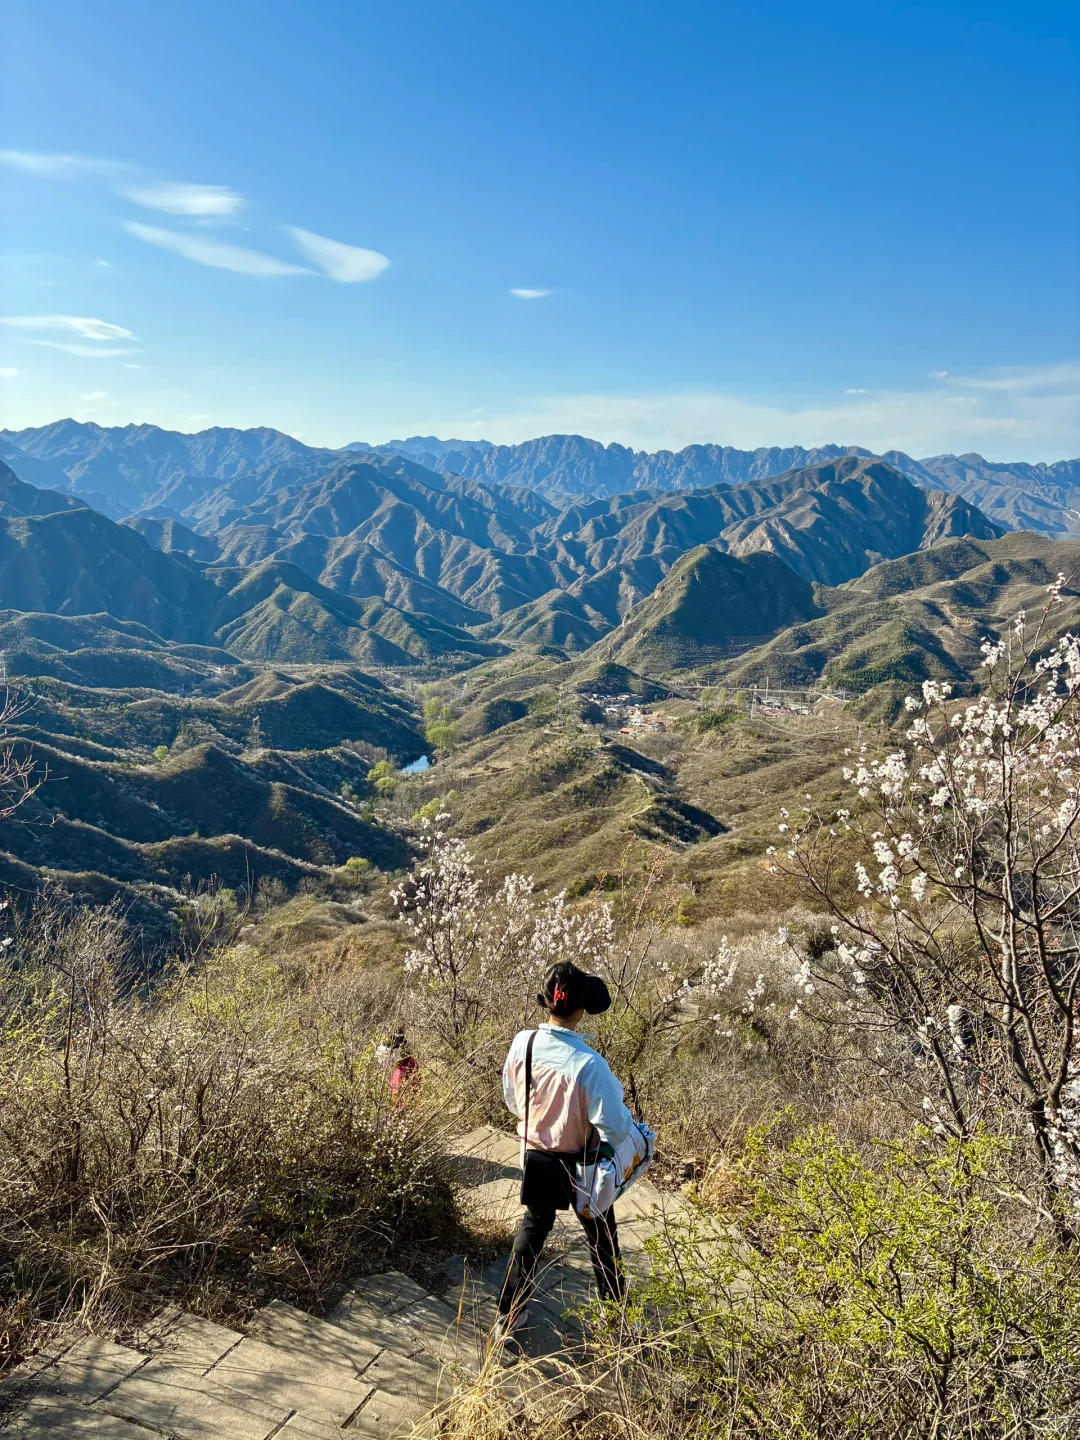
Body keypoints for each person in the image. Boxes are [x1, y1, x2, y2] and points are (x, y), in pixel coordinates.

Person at [493, 961, 634, 1348]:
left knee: (534, 1229)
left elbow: (512, 1099)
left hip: (536, 1155)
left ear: (548, 1003)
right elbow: (617, 1129)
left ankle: (507, 1315)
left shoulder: (524, 1042)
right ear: (581, 1009)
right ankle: (618, 1319)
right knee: (602, 1237)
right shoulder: (590, 1064)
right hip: (582, 1166)